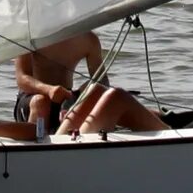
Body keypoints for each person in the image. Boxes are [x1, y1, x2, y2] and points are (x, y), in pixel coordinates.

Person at [13, 31, 165, 139]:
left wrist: (76, 97)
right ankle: (38, 144)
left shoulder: (88, 39)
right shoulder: (30, 35)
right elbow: (22, 78)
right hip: (33, 97)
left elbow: (102, 80)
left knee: (96, 89)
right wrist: (49, 90)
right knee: (41, 102)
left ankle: (164, 121)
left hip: (67, 99)